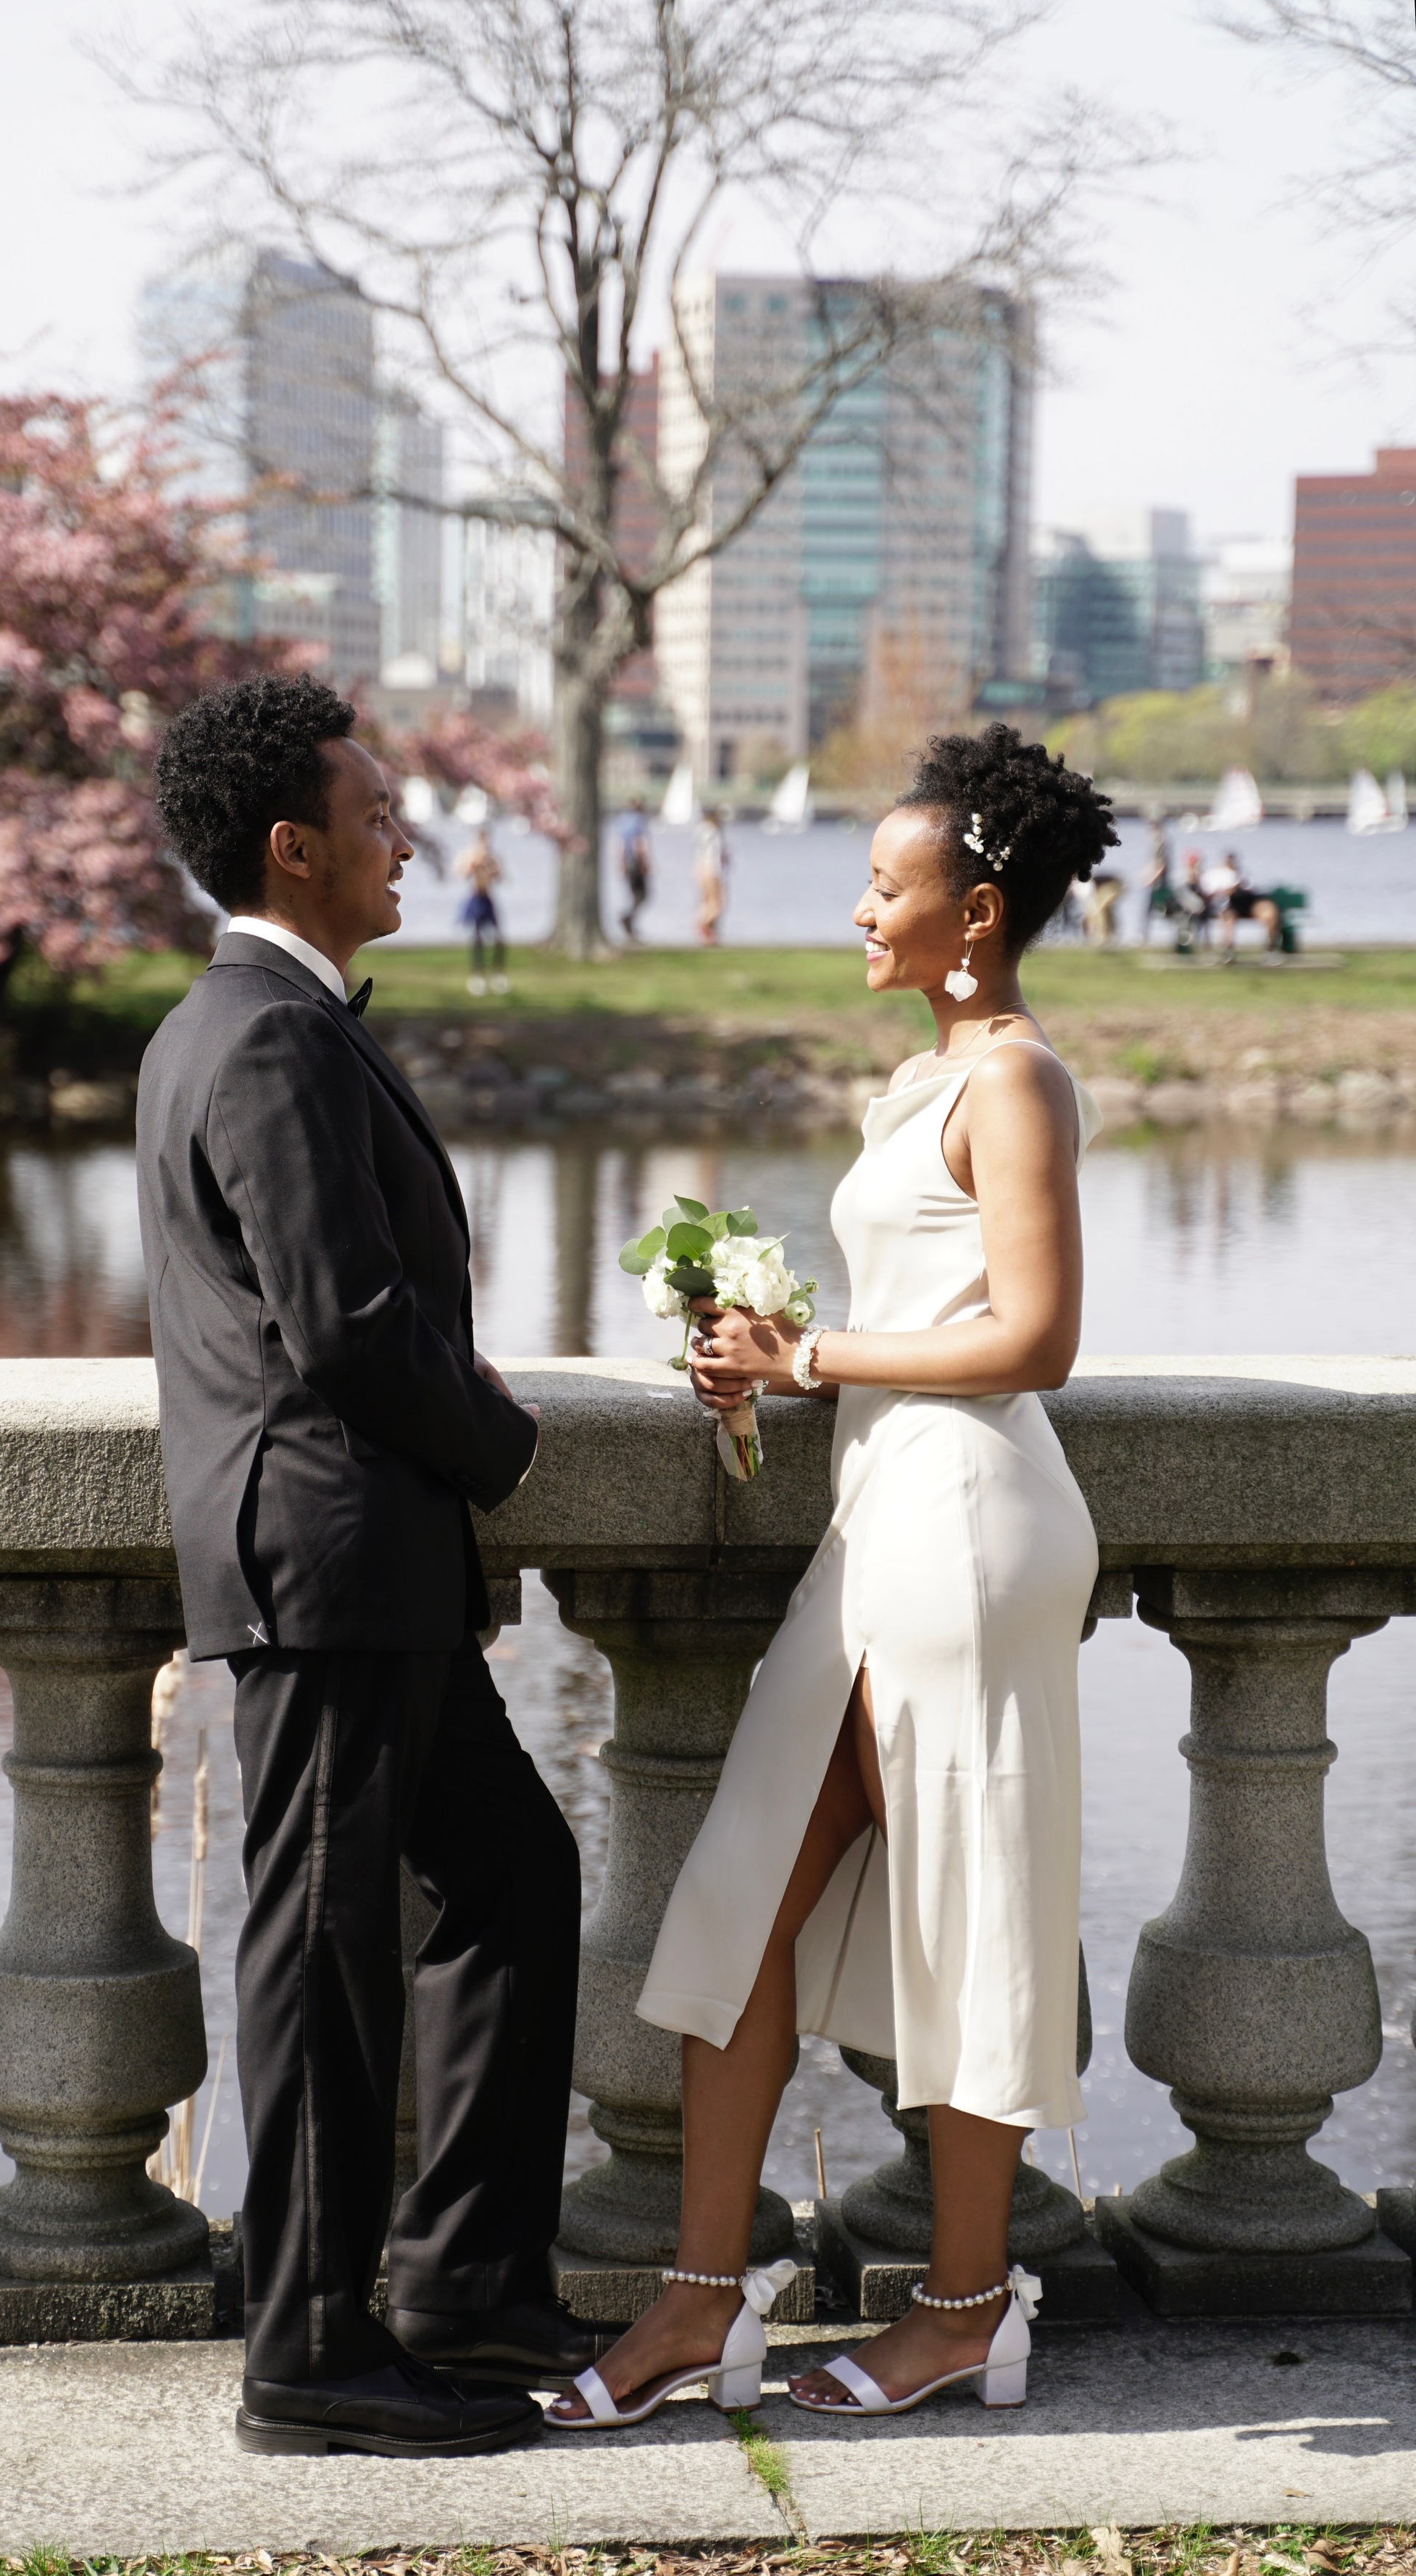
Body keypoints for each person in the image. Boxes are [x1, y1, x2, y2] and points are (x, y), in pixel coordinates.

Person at [548, 722, 1117, 2432]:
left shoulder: (1010, 1076)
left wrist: (815, 1358)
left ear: (979, 910)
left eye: (888, 885)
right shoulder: (917, 1082)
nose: (859, 907)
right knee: (734, 1903)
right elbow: (918, 1329)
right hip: (882, 1528)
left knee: (959, 1917)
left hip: (964, 1534)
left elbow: (1037, 1338)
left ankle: (958, 2307)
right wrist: (774, 1363)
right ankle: (699, 2306)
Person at [138, 673, 594, 2460]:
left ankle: (462, 2290)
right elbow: (340, 1324)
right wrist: (505, 1444)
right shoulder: (259, 1032)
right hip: (318, 1560)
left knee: (508, 1873)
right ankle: (307, 2353)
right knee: (320, 1951)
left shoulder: (267, 1020)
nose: (411, 835)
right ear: (294, 845)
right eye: (382, 812)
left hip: (360, 1560)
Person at [456, 826, 508, 994]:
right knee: (477, 940)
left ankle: (497, 975)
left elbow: (500, 878)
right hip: (475, 899)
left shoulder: (492, 857)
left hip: (488, 899)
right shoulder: (471, 855)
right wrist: (474, 863)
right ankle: (476, 977)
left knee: (499, 939)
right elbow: (463, 874)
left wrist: (493, 868)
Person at [618, 798, 653, 941]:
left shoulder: (623, 821)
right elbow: (639, 844)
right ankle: (627, 918)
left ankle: (630, 923)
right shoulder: (639, 821)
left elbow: (619, 845)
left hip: (627, 861)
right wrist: (645, 863)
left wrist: (621, 864)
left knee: (635, 895)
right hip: (636, 862)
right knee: (643, 895)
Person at [694, 805, 729, 946]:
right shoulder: (714, 832)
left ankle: (708, 933)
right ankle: (704, 925)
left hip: (700, 868)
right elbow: (716, 854)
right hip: (712, 869)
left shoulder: (700, 831)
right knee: (718, 904)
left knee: (707, 901)